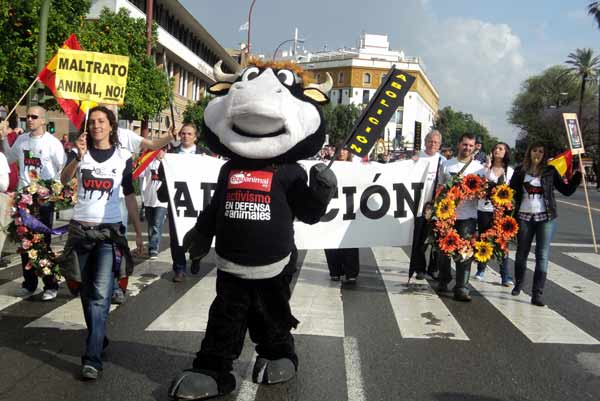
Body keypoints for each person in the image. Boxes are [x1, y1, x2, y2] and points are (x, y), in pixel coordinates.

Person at [59, 106, 143, 380]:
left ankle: (92, 358)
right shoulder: (79, 152)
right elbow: (64, 179)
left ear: (111, 126)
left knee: (99, 295)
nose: (96, 126)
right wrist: (77, 156)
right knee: (83, 290)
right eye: (92, 122)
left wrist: (138, 232)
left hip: (109, 234)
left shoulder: (122, 156)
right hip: (80, 232)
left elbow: (129, 194)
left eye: (101, 121)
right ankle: (99, 338)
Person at [1, 106, 65, 301]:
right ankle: (29, 283)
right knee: (25, 243)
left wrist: (51, 192)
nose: (30, 119)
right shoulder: (22, 140)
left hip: (43, 201)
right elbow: (10, 157)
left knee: (42, 244)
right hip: (23, 199)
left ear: (43, 120)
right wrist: (3, 137)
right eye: (27, 116)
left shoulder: (52, 144)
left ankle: (50, 284)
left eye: (34, 117)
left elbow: (62, 170)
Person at [509, 142, 581, 307]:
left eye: (541, 151)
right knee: (522, 252)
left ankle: (537, 293)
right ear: (529, 152)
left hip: (546, 217)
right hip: (524, 217)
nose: (538, 154)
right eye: (535, 150)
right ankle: (519, 283)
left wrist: (577, 176)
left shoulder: (550, 171)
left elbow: (566, 190)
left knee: (542, 254)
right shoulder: (520, 171)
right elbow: (510, 191)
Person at [158, 123, 213, 282]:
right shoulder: (172, 153)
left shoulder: (205, 154)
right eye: (183, 133)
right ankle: (179, 268)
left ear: (195, 137)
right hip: (178, 202)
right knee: (177, 237)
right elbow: (163, 175)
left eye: (189, 134)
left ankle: (196, 258)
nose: (185, 136)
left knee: (200, 234)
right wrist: (163, 161)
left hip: (199, 202)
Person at [436, 133, 485, 302]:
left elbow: (483, 193)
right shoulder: (446, 164)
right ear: (459, 144)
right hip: (446, 215)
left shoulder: (479, 168)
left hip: (468, 216)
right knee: (443, 250)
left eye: (471, 146)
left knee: (465, 252)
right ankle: (443, 279)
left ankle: (462, 287)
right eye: (465, 144)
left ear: (475, 147)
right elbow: (439, 187)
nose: (467, 148)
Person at [474, 142, 514, 285]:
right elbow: (479, 187)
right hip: (484, 209)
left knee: (502, 242)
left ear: (506, 153)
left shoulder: (510, 171)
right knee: (483, 239)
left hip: (501, 212)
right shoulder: (484, 169)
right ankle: (481, 269)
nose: (497, 150)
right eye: (496, 148)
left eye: (501, 149)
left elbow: (513, 193)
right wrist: (487, 166)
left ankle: (505, 275)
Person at [409, 130, 444, 280]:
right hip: (418, 206)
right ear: (425, 142)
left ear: (439, 145)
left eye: (436, 142)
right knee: (419, 239)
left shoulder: (443, 161)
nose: (432, 144)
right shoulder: (417, 158)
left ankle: (434, 268)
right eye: (430, 141)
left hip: (437, 206)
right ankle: (420, 268)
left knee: (436, 238)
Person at [324, 146, 360, 283]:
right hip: (332, 210)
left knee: (350, 241)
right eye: (339, 150)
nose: (342, 152)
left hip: (349, 208)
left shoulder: (355, 167)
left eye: (345, 150)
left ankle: (351, 272)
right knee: (330, 240)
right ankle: (335, 271)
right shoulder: (328, 166)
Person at [141, 149, 168, 259]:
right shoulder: (148, 163)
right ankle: (152, 245)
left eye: (162, 151)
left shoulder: (168, 164)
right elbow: (139, 173)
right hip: (149, 198)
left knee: (157, 224)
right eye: (157, 151)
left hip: (161, 200)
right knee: (151, 224)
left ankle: (153, 248)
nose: (160, 154)